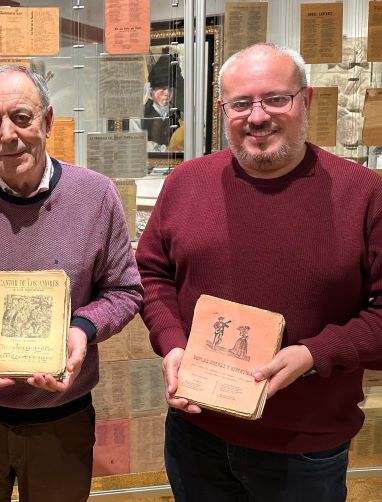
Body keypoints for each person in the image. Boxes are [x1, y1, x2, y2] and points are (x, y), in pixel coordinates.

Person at [136, 43, 382, 502]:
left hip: (304, 447)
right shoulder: (185, 183)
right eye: (241, 103)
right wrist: (171, 342)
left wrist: (314, 354)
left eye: (275, 99)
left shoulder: (365, 194)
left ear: (306, 100)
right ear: (222, 110)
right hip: (196, 432)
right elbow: (152, 274)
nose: (257, 116)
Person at [0, 65, 143, 502]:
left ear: (48, 121)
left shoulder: (96, 196)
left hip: (61, 417)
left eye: (22, 117)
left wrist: (83, 330)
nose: (8, 135)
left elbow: (124, 290)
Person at [142, 54, 182, 148]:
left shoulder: (179, 114)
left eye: (171, 89)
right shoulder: (142, 114)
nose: (167, 93)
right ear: (151, 91)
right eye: (163, 89)